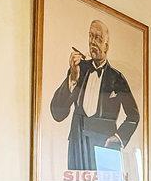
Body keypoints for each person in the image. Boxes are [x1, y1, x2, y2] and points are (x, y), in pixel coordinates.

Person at [49, 18, 140, 171]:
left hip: (106, 148)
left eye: (98, 38)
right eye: (91, 36)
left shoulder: (117, 78)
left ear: (106, 46)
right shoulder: (78, 70)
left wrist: (118, 138)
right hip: (78, 146)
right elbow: (58, 113)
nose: (93, 42)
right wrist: (72, 78)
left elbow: (133, 116)